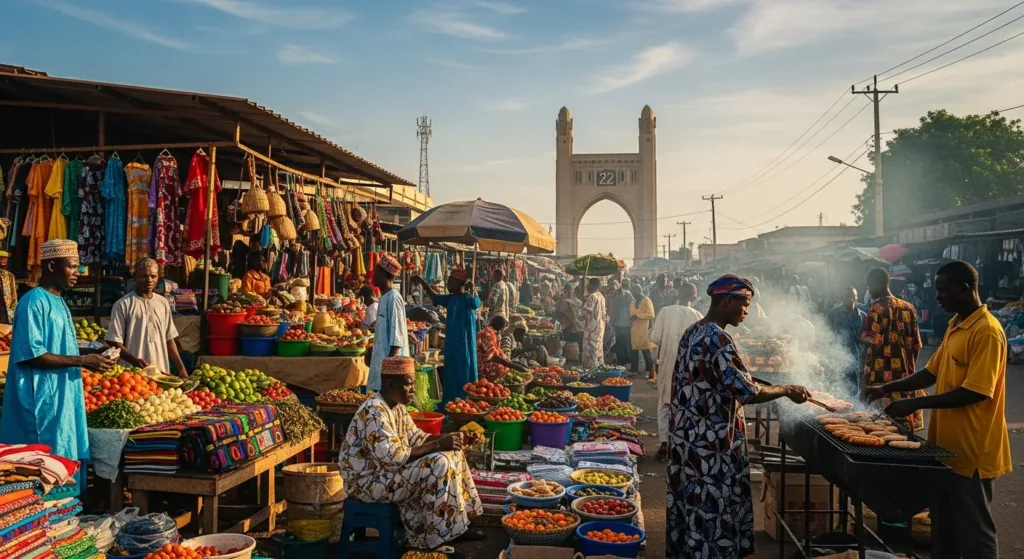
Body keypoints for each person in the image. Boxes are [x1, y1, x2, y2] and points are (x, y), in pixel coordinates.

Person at [865, 261, 1011, 559]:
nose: (938, 297)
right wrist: (887, 388)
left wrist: (915, 402)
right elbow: (931, 373)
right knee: (943, 532)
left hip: (972, 453)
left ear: (965, 289)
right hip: (944, 451)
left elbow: (975, 392)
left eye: (943, 291)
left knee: (975, 535)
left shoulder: (987, 332)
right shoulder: (956, 325)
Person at [667, 274, 811, 559]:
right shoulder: (717, 337)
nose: (746, 311)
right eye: (744, 304)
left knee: (693, 502)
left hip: (687, 438)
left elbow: (716, 375)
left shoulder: (694, 330)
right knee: (712, 507)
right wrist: (786, 389)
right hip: (711, 444)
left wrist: (760, 381)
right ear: (726, 301)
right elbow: (746, 392)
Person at [338, 355, 484, 552]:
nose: (413, 389)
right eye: (408, 384)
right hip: (367, 483)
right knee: (438, 463)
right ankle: (437, 537)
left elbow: (418, 439)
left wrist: (454, 438)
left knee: (453, 453)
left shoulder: (396, 407)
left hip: (385, 474)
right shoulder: (373, 412)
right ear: (391, 383)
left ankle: (455, 524)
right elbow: (393, 459)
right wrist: (439, 444)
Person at [0, 240, 115, 464]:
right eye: (71, 266)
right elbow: (33, 354)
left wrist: (95, 352)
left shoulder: (59, 302)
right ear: (51, 266)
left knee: (64, 453)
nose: (77, 272)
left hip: (62, 394)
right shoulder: (33, 302)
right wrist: (83, 360)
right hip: (41, 398)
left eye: (78, 267)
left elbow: (62, 346)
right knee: (44, 461)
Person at [860, 267, 925, 430]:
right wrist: (910, 372)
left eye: (868, 286)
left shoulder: (875, 310)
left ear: (874, 285)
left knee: (880, 428)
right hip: (904, 380)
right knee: (903, 427)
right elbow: (916, 346)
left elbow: (868, 346)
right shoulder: (909, 308)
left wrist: (863, 377)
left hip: (879, 381)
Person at [105, 258, 188, 378]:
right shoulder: (123, 304)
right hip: (133, 375)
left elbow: (169, 339)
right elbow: (114, 341)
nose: (149, 280)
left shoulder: (163, 303)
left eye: (153, 276)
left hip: (161, 372)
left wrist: (181, 368)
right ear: (135, 277)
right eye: (144, 276)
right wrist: (135, 361)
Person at [649, 284, 703, 460]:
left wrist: (654, 361)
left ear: (678, 294)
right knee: (686, 405)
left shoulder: (665, 311)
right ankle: (683, 443)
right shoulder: (698, 316)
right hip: (689, 368)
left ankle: (665, 443)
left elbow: (655, 338)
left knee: (664, 402)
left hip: (667, 363)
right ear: (694, 298)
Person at [411, 270, 480, 403]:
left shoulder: (468, 298)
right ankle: (450, 404)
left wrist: (472, 289)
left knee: (463, 375)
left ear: (459, 283)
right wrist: (421, 282)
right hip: (451, 346)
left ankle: (465, 403)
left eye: (450, 281)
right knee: (451, 375)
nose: (448, 283)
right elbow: (434, 296)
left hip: (464, 346)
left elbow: (476, 303)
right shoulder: (450, 299)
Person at [367, 254, 408, 393]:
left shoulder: (394, 298)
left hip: (389, 371)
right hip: (381, 365)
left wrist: (388, 371)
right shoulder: (383, 298)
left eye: (377, 272)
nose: (373, 275)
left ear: (384, 275)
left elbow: (397, 340)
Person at [826, 286, 866, 396]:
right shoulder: (833, 314)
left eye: (852, 296)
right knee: (837, 393)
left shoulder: (863, 317)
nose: (850, 299)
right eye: (846, 296)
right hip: (838, 361)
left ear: (857, 298)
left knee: (855, 393)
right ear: (841, 298)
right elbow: (827, 338)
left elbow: (865, 341)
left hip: (857, 361)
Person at [477, 315, 527, 380]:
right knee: (500, 368)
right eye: (502, 329)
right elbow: (493, 356)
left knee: (509, 366)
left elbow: (498, 350)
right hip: (481, 365)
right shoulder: (486, 333)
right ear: (500, 328)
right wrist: (515, 366)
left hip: (487, 361)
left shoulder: (492, 333)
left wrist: (509, 362)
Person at [629, 284, 656, 376]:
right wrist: (631, 318)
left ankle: (649, 370)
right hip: (634, 329)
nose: (633, 294)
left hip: (644, 329)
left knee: (645, 350)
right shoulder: (633, 301)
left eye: (634, 292)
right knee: (634, 350)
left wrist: (637, 316)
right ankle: (634, 370)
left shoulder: (646, 300)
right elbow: (632, 313)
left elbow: (651, 314)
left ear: (639, 290)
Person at [581, 278, 608, 369]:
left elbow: (584, 313)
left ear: (594, 285)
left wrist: (582, 303)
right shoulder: (601, 297)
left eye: (589, 284)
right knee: (598, 349)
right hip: (600, 328)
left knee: (589, 350)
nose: (587, 286)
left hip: (591, 329)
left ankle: (590, 370)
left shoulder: (592, 297)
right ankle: (598, 368)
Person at [609, 279, 634, 367]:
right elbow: (614, 311)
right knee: (622, 342)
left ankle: (624, 360)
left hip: (622, 323)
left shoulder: (622, 294)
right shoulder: (620, 296)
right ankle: (624, 360)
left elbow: (614, 310)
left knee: (622, 342)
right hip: (621, 323)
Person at [554, 282, 583, 347]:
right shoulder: (565, 301)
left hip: (569, 330)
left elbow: (558, 311)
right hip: (566, 328)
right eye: (571, 290)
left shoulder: (570, 301)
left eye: (572, 290)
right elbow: (558, 312)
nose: (572, 292)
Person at [0, 249, 18, 324]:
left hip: (5, 310)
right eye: (1, 258)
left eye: (5, 258)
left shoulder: (10, 276)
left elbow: (13, 295)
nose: (3, 260)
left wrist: (14, 311)